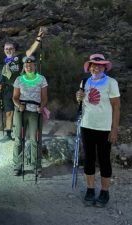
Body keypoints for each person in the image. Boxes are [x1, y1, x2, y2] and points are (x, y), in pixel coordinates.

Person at [76, 54, 120, 207]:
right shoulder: (85, 81)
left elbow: (116, 106)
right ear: (89, 67)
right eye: (93, 65)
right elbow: (82, 102)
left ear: (104, 67)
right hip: (87, 126)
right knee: (88, 159)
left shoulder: (111, 82)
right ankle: (90, 189)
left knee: (104, 159)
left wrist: (114, 129)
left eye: (100, 65)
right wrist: (78, 97)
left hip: (104, 128)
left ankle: (105, 192)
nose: (96, 67)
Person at [0, 27, 46, 143]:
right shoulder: (2, 62)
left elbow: (30, 51)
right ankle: (8, 133)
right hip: (7, 90)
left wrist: (38, 38)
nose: (8, 50)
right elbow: (1, 76)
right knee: (9, 112)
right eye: (6, 49)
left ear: (14, 49)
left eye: (10, 48)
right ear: (4, 50)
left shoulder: (18, 58)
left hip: (19, 89)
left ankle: (22, 134)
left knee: (21, 112)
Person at [12, 56, 48, 176]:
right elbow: (15, 97)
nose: (29, 66)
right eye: (26, 65)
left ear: (34, 66)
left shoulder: (41, 79)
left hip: (35, 111)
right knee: (18, 138)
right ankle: (17, 165)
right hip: (21, 110)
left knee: (35, 139)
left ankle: (36, 165)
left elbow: (44, 98)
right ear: (24, 67)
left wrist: (41, 107)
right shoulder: (19, 79)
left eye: (31, 64)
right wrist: (18, 105)